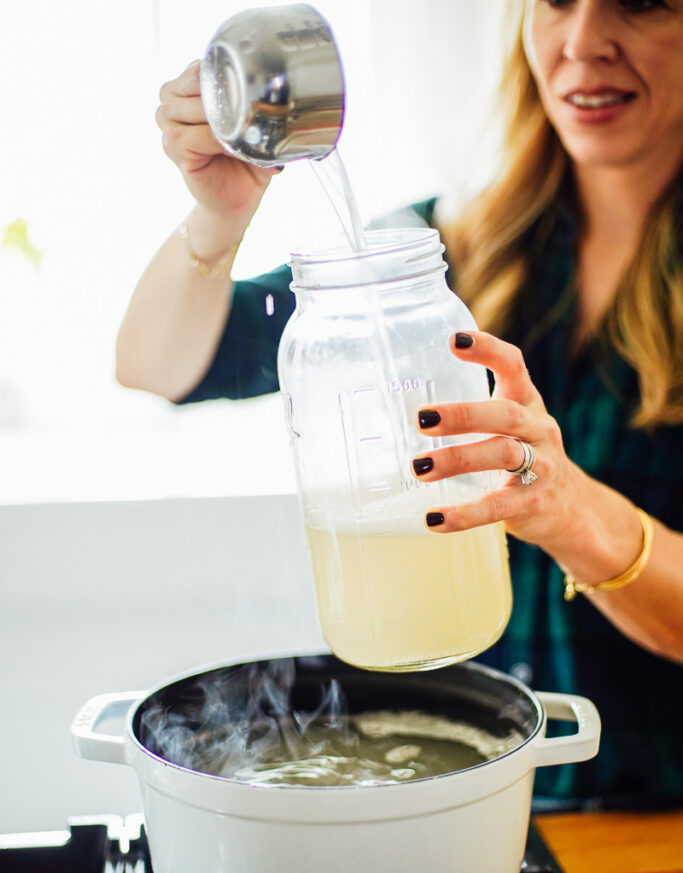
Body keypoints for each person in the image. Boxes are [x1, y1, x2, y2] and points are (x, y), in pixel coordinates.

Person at [116, 0, 683, 809]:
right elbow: (158, 364)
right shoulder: (451, 249)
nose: (584, 41)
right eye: (555, 2)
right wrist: (220, 216)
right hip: (475, 805)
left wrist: (574, 515)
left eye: (638, 3)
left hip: (653, 833)